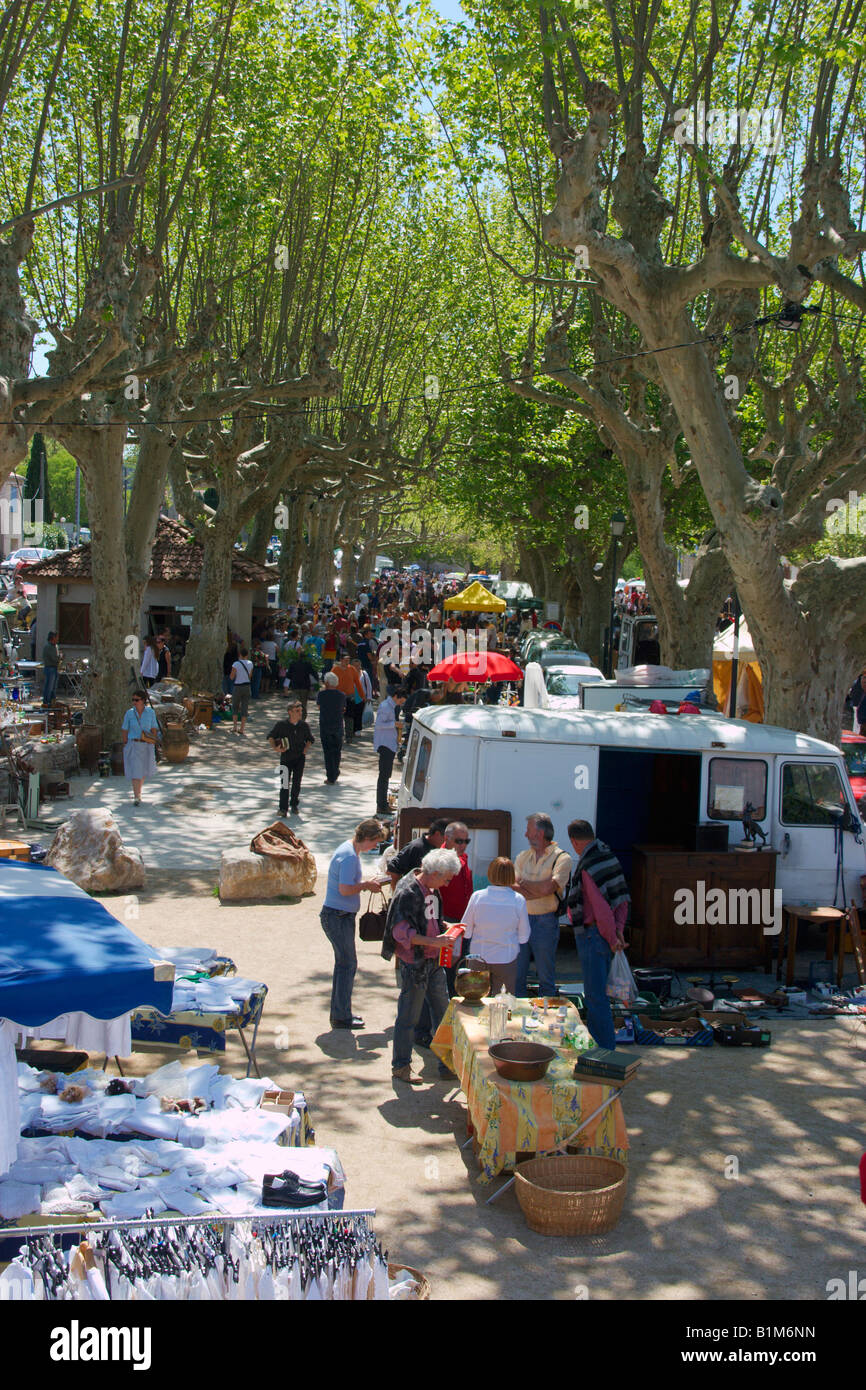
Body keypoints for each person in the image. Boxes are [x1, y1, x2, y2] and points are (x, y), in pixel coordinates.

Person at [386, 847, 460, 1084]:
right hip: (415, 963)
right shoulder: (408, 891)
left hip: (433, 959)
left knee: (443, 1013)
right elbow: (400, 932)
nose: (447, 885)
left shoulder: (432, 889)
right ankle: (401, 1066)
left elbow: (431, 919)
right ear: (436, 872)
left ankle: (446, 1064)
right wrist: (435, 941)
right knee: (409, 1015)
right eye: (447, 879)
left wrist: (447, 928)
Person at [566, 819, 630, 1048]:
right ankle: (603, 1047)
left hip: (593, 935)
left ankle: (602, 1053)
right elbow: (621, 898)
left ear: (574, 841)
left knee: (595, 998)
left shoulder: (588, 865)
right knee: (601, 996)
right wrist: (619, 930)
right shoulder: (608, 856)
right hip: (606, 934)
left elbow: (601, 909)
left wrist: (613, 939)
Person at [320, 819, 385, 1030]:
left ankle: (340, 1013)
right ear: (366, 838)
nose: (374, 847)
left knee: (344, 964)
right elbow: (345, 890)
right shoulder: (349, 856)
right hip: (338, 916)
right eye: (375, 843)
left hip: (340, 915)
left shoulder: (349, 851)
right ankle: (341, 1016)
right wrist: (366, 885)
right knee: (347, 965)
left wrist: (366, 883)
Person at [513, 812, 572, 997]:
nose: (525, 834)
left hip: (546, 922)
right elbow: (513, 887)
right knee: (517, 974)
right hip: (521, 920)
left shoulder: (562, 858)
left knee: (546, 976)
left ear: (539, 833)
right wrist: (538, 888)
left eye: (528, 830)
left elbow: (549, 888)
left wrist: (525, 885)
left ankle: (546, 1017)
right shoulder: (523, 856)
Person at [462, 857, 531, 995]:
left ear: (490, 874)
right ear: (512, 875)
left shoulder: (477, 897)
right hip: (506, 958)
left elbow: (466, 930)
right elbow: (524, 937)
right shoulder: (518, 900)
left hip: (479, 957)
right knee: (503, 1004)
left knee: (476, 1001)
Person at [268, 699, 315, 816]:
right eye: (297, 711)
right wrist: (276, 748)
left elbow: (310, 739)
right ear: (290, 712)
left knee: (297, 782)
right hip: (285, 758)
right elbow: (271, 736)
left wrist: (305, 749)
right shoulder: (281, 725)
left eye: (301, 711)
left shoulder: (304, 725)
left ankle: (294, 804)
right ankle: (283, 808)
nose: (300, 713)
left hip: (299, 758)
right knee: (284, 783)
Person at [121, 689, 159, 806]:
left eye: (136, 700)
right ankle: (136, 796)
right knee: (136, 770)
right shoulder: (129, 713)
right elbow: (125, 729)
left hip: (146, 744)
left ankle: (139, 793)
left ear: (143, 700)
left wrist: (153, 741)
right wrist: (125, 742)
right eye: (133, 700)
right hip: (134, 743)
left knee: (143, 770)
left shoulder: (150, 712)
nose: (134, 702)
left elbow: (153, 728)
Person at [373, 685, 406, 815]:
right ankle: (381, 805)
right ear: (396, 697)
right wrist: (394, 724)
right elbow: (379, 724)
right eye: (400, 701)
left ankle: (384, 803)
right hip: (385, 745)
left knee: (386, 775)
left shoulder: (391, 706)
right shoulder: (386, 707)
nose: (401, 704)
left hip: (389, 743)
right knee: (384, 776)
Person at [317, 670, 347, 783]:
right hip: (338, 725)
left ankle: (331, 775)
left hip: (325, 725)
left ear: (327, 683)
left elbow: (319, 707)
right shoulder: (342, 695)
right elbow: (344, 709)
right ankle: (335, 770)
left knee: (328, 751)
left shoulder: (322, 694)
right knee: (337, 750)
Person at [332, 652, 365, 742]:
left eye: (348, 660)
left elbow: (357, 683)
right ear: (341, 660)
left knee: (349, 717)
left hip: (350, 697)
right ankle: (338, 735)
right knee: (338, 717)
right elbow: (330, 682)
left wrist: (362, 695)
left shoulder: (352, 669)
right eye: (345, 660)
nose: (347, 662)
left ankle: (349, 736)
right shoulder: (335, 670)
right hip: (338, 697)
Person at [285, 651, 318, 717]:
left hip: (295, 686)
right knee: (303, 704)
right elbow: (314, 674)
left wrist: (286, 688)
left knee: (295, 704)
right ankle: (302, 719)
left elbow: (288, 676)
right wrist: (316, 684)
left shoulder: (293, 663)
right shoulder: (308, 664)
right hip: (305, 687)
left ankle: (295, 718)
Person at [230, 646, 253, 735]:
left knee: (235, 706)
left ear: (239, 654)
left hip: (238, 686)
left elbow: (232, 676)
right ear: (247, 655)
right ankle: (242, 728)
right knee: (245, 707)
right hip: (247, 686)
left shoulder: (236, 664)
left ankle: (235, 726)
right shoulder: (250, 663)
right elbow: (250, 676)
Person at [41, 631, 60, 708]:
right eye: (56, 637)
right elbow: (54, 658)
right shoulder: (48, 647)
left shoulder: (55, 646)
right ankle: (46, 701)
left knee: (53, 688)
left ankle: (52, 701)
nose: (57, 639)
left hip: (55, 668)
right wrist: (59, 658)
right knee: (49, 686)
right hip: (50, 668)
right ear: (52, 638)